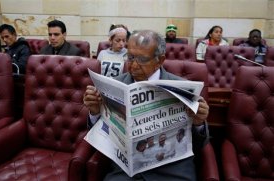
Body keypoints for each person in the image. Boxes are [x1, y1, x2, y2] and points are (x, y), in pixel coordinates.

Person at [84, 30, 210, 181]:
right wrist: (95, 113)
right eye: (130, 57)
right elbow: (101, 137)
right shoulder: (114, 85)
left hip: (171, 172)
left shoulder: (185, 90)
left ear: (160, 60)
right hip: (125, 173)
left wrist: (198, 123)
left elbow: (199, 144)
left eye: (142, 59)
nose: (134, 65)